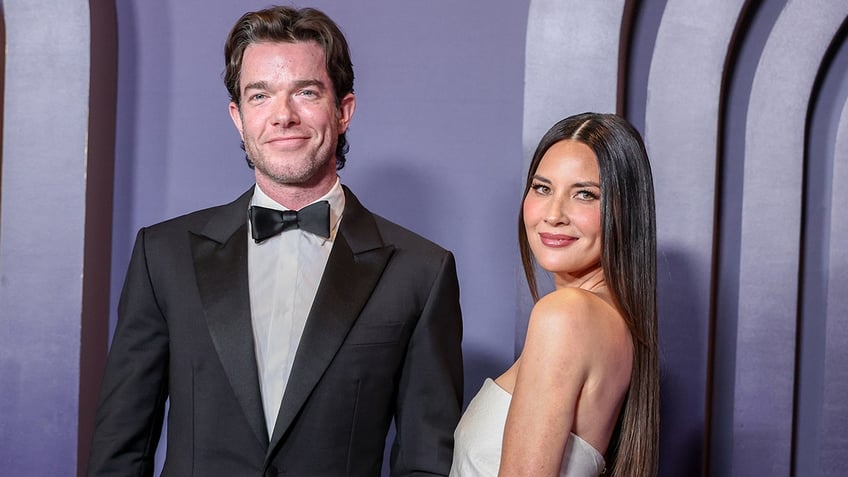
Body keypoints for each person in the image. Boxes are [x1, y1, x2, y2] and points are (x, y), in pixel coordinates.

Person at [88, 6, 463, 477]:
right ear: (238, 117)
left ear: (343, 110)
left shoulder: (420, 272)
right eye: (260, 95)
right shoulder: (162, 256)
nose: (282, 116)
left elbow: (426, 463)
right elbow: (119, 450)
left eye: (305, 92)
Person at [450, 113, 659, 477]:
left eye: (585, 194)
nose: (554, 214)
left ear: (624, 210)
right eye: (542, 188)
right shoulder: (616, 325)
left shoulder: (565, 314)